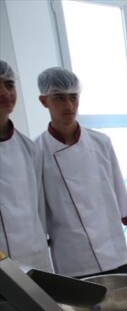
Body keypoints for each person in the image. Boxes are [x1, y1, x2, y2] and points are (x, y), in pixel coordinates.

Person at [36, 67, 127, 278]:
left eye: (73, 97)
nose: (68, 106)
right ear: (44, 101)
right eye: (59, 98)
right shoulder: (36, 151)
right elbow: (39, 210)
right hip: (73, 256)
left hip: (112, 247)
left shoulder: (101, 142)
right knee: (81, 310)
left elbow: (120, 190)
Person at [0, 60, 51, 271]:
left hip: (35, 255)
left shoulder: (29, 148)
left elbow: (38, 207)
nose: (5, 93)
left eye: (9, 85)